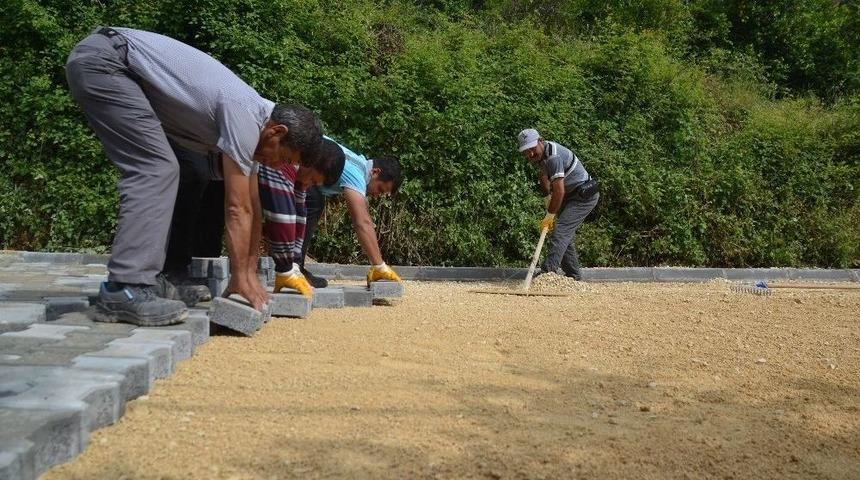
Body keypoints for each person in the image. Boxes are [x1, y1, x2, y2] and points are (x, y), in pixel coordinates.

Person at [66, 26, 323, 326]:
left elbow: (253, 207)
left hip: (118, 66)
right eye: (285, 158)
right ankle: (124, 289)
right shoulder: (245, 115)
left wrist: (250, 275)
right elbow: (236, 208)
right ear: (277, 132)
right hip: (108, 63)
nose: (279, 167)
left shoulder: (257, 127)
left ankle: (155, 278)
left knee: (187, 171)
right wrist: (239, 277)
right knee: (157, 168)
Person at [300, 138, 403, 287]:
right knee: (313, 201)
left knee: (315, 199)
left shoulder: (358, 164)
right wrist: (379, 265)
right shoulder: (357, 174)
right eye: (380, 189)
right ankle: (295, 266)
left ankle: (294, 263)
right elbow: (362, 222)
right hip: (292, 156)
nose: (376, 195)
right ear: (375, 172)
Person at [257, 141, 345, 297]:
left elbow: (299, 215)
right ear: (309, 161)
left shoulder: (301, 178)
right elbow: (281, 217)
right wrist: (285, 269)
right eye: (311, 179)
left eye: (313, 183)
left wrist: (295, 264)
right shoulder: (282, 162)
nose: (307, 184)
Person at [517, 128, 599, 280]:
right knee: (564, 234)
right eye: (526, 151)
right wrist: (547, 196)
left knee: (560, 230)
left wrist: (550, 214)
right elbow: (543, 175)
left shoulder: (553, 157)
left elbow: (559, 191)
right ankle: (574, 276)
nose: (530, 154)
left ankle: (548, 272)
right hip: (570, 195)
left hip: (584, 196)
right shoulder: (541, 155)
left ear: (541, 141)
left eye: (532, 149)